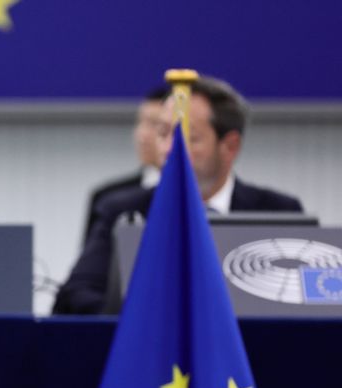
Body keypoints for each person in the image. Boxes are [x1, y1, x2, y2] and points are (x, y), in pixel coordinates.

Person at [54, 76, 304, 315]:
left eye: (188, 138)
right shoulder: (122, 211)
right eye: (162, 134)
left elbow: (308, 302)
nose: (168, 148)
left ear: (229, 146)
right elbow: (77, 295)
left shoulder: (279, 213)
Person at [79, 85, 170, 247]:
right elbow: (88, 268)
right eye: (140, 122)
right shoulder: (107, 199)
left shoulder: (207, 196)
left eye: (154, 124)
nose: (142, 135)